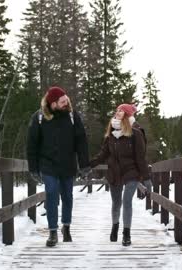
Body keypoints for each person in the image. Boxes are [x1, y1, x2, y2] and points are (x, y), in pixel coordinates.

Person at [27, 86, 91, 247]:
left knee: (67, 196)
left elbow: (81, 141)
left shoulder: (72, 116)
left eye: (66, 100)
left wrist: (84, 165)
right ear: (53, 103)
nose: (66, 103)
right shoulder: (39, 117)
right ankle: (53, 232)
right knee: (51, 193)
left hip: (68, 164)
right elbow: (32, 144)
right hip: (48, 164)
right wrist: (33, 168)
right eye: (62, 102)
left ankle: (66, 227)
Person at [89, 103, 153, 246]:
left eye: (121, 111)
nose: (117, 112)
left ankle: (126, 233)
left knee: (127, 201)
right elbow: (103, 154)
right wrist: (89, 164)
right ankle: (115, 226)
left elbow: (141, 158)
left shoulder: (136, 134)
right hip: (114, 173)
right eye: (116, 110)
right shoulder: (111, 133)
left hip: (131, 172)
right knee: (116, 203)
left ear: (128, 115)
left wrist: (146, 178)